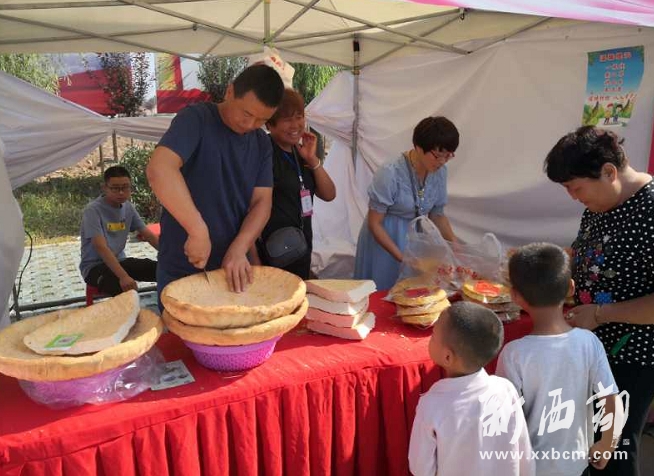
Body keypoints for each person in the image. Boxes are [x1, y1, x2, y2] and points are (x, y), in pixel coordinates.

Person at [544, 126, 654, 476]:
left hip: (633, 354)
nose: (573, 197)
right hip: (593, 344)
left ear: (609, 172)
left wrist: (601, 314)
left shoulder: (649, 208)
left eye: (576, 188)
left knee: (615, 446)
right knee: (591, 440)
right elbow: (586, 252)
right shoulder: (600, 204)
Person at [147, 64, 284, 298]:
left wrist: (240, 247)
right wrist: (197, 229)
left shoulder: (261, 142)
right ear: (230, 92)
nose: (250, 125)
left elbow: (262, 202)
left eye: (262, 120)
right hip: (183, 267)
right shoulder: (196, 119)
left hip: (232, 270)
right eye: (247, 114)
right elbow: (160, 169)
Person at [496, 243, 622, 476]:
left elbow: (505, 418)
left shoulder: (513, 354)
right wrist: (607, 444)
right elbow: (610, 397)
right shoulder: (589, 342)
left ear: (515, 296)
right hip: (577, 464)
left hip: (530, 467)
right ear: (571, 287)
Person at [409, 301, 534, 476]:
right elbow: (524, 453)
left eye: (434, 335)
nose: (431, 337)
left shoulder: (431, 404)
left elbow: (420, 468)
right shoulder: (506, 390)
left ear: (447, 357)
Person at [353, 116, 459, 290]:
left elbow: (437, 215)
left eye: (448, 156)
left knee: (412, 294)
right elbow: (374, 223)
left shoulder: (440, 172)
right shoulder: (390, 172)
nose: (442, 162)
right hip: (384, 240)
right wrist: (403, 258)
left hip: (413, 239)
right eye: (437, 155)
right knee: (383, 289)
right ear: (418, 147)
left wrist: (455, 245)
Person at [249, 88, 336, 279]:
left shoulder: (302, 152)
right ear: (270, 124)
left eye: (299, 117)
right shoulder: (264, 153)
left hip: (300, 246)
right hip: (271, 252)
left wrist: (313, 160)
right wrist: (254, 260)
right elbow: (248, 208)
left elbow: (329, 194)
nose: (295, 125)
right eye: (287, 119)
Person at [79, 166, 158, 296]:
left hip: (120, 262)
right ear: (104, 188)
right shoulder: (92, 211)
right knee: (118, 284)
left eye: (125, 187)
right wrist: (123, 277)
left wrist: (170, 257)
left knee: (162, 269)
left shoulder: (128, 208)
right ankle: (127, 309)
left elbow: (149, 235)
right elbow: (101, 247)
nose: (121, 193)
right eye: (115, 188)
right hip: (95, 268)